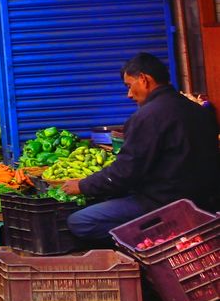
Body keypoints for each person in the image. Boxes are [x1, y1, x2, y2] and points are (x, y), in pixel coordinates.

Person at [62, 53, 220, 242]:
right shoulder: (198, 111)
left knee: (80, 222)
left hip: (164, 203)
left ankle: (155, 242)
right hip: (202, 201)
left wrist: (82, 186)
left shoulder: (148, 116)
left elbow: (124, 173)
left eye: (129, 86)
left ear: (144, 80)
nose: (129, 95)